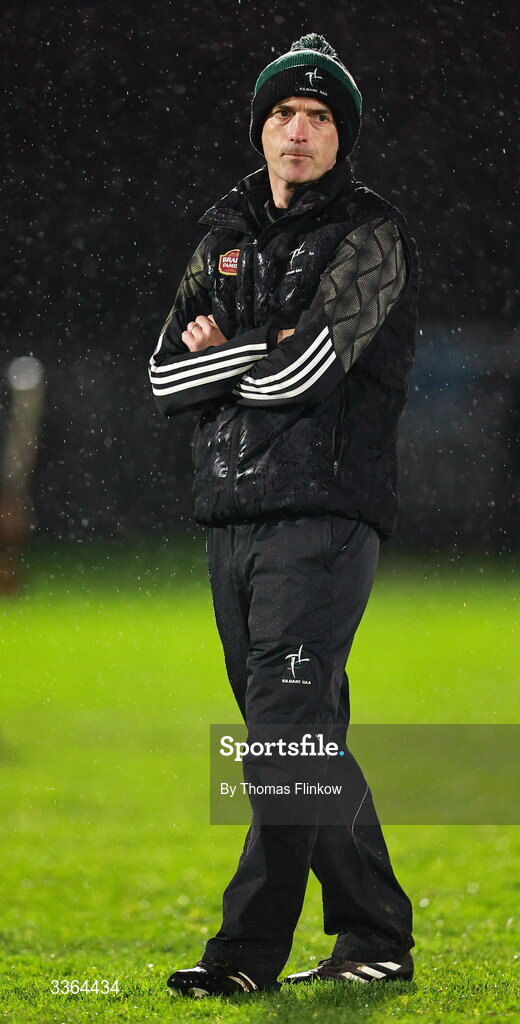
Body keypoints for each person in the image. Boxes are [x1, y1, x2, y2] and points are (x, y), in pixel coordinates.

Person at [148, 32, 419, 998]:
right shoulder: (222, 231)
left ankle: (244, 959)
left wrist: (236, 351)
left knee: (279, 742)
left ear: (341, 139)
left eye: (316, 118)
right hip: (233, 519)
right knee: (303, 740)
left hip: (324, 518)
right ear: (260, 129)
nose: (296, 131)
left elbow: (307, 373)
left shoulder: (371, 234)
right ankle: (375, 936)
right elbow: (161, 375)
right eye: (281, 115)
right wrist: (260, 353)